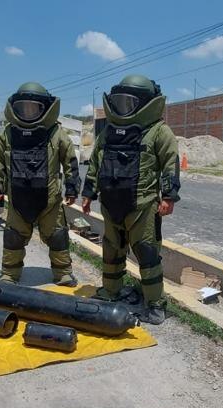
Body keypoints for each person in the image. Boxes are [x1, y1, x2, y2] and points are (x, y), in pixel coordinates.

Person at [82, 75, 180, 324]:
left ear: (146, 103)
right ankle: (110, 292)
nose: (124, 108)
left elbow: (170, 164)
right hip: (110, 204)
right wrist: (88, 194)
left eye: (130, 103)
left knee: (147, 254)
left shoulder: (159, 131)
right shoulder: (108, 133)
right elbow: (96, 163)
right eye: (120, 102)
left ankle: (155, 305)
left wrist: (168, 197)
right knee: (111, 251)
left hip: (143, 206)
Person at [0, 82, 80, 286]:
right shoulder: (8, 133)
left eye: (34, 108)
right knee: (13, 238)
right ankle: (10, 274)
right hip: (18, 201)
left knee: (57, 237)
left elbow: (70, 161)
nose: (28, 112)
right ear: (15, 108)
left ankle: (63, 273)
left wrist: (72, 188)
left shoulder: (55, 133)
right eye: (23, 108)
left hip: (50, 202)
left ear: (44, 109)